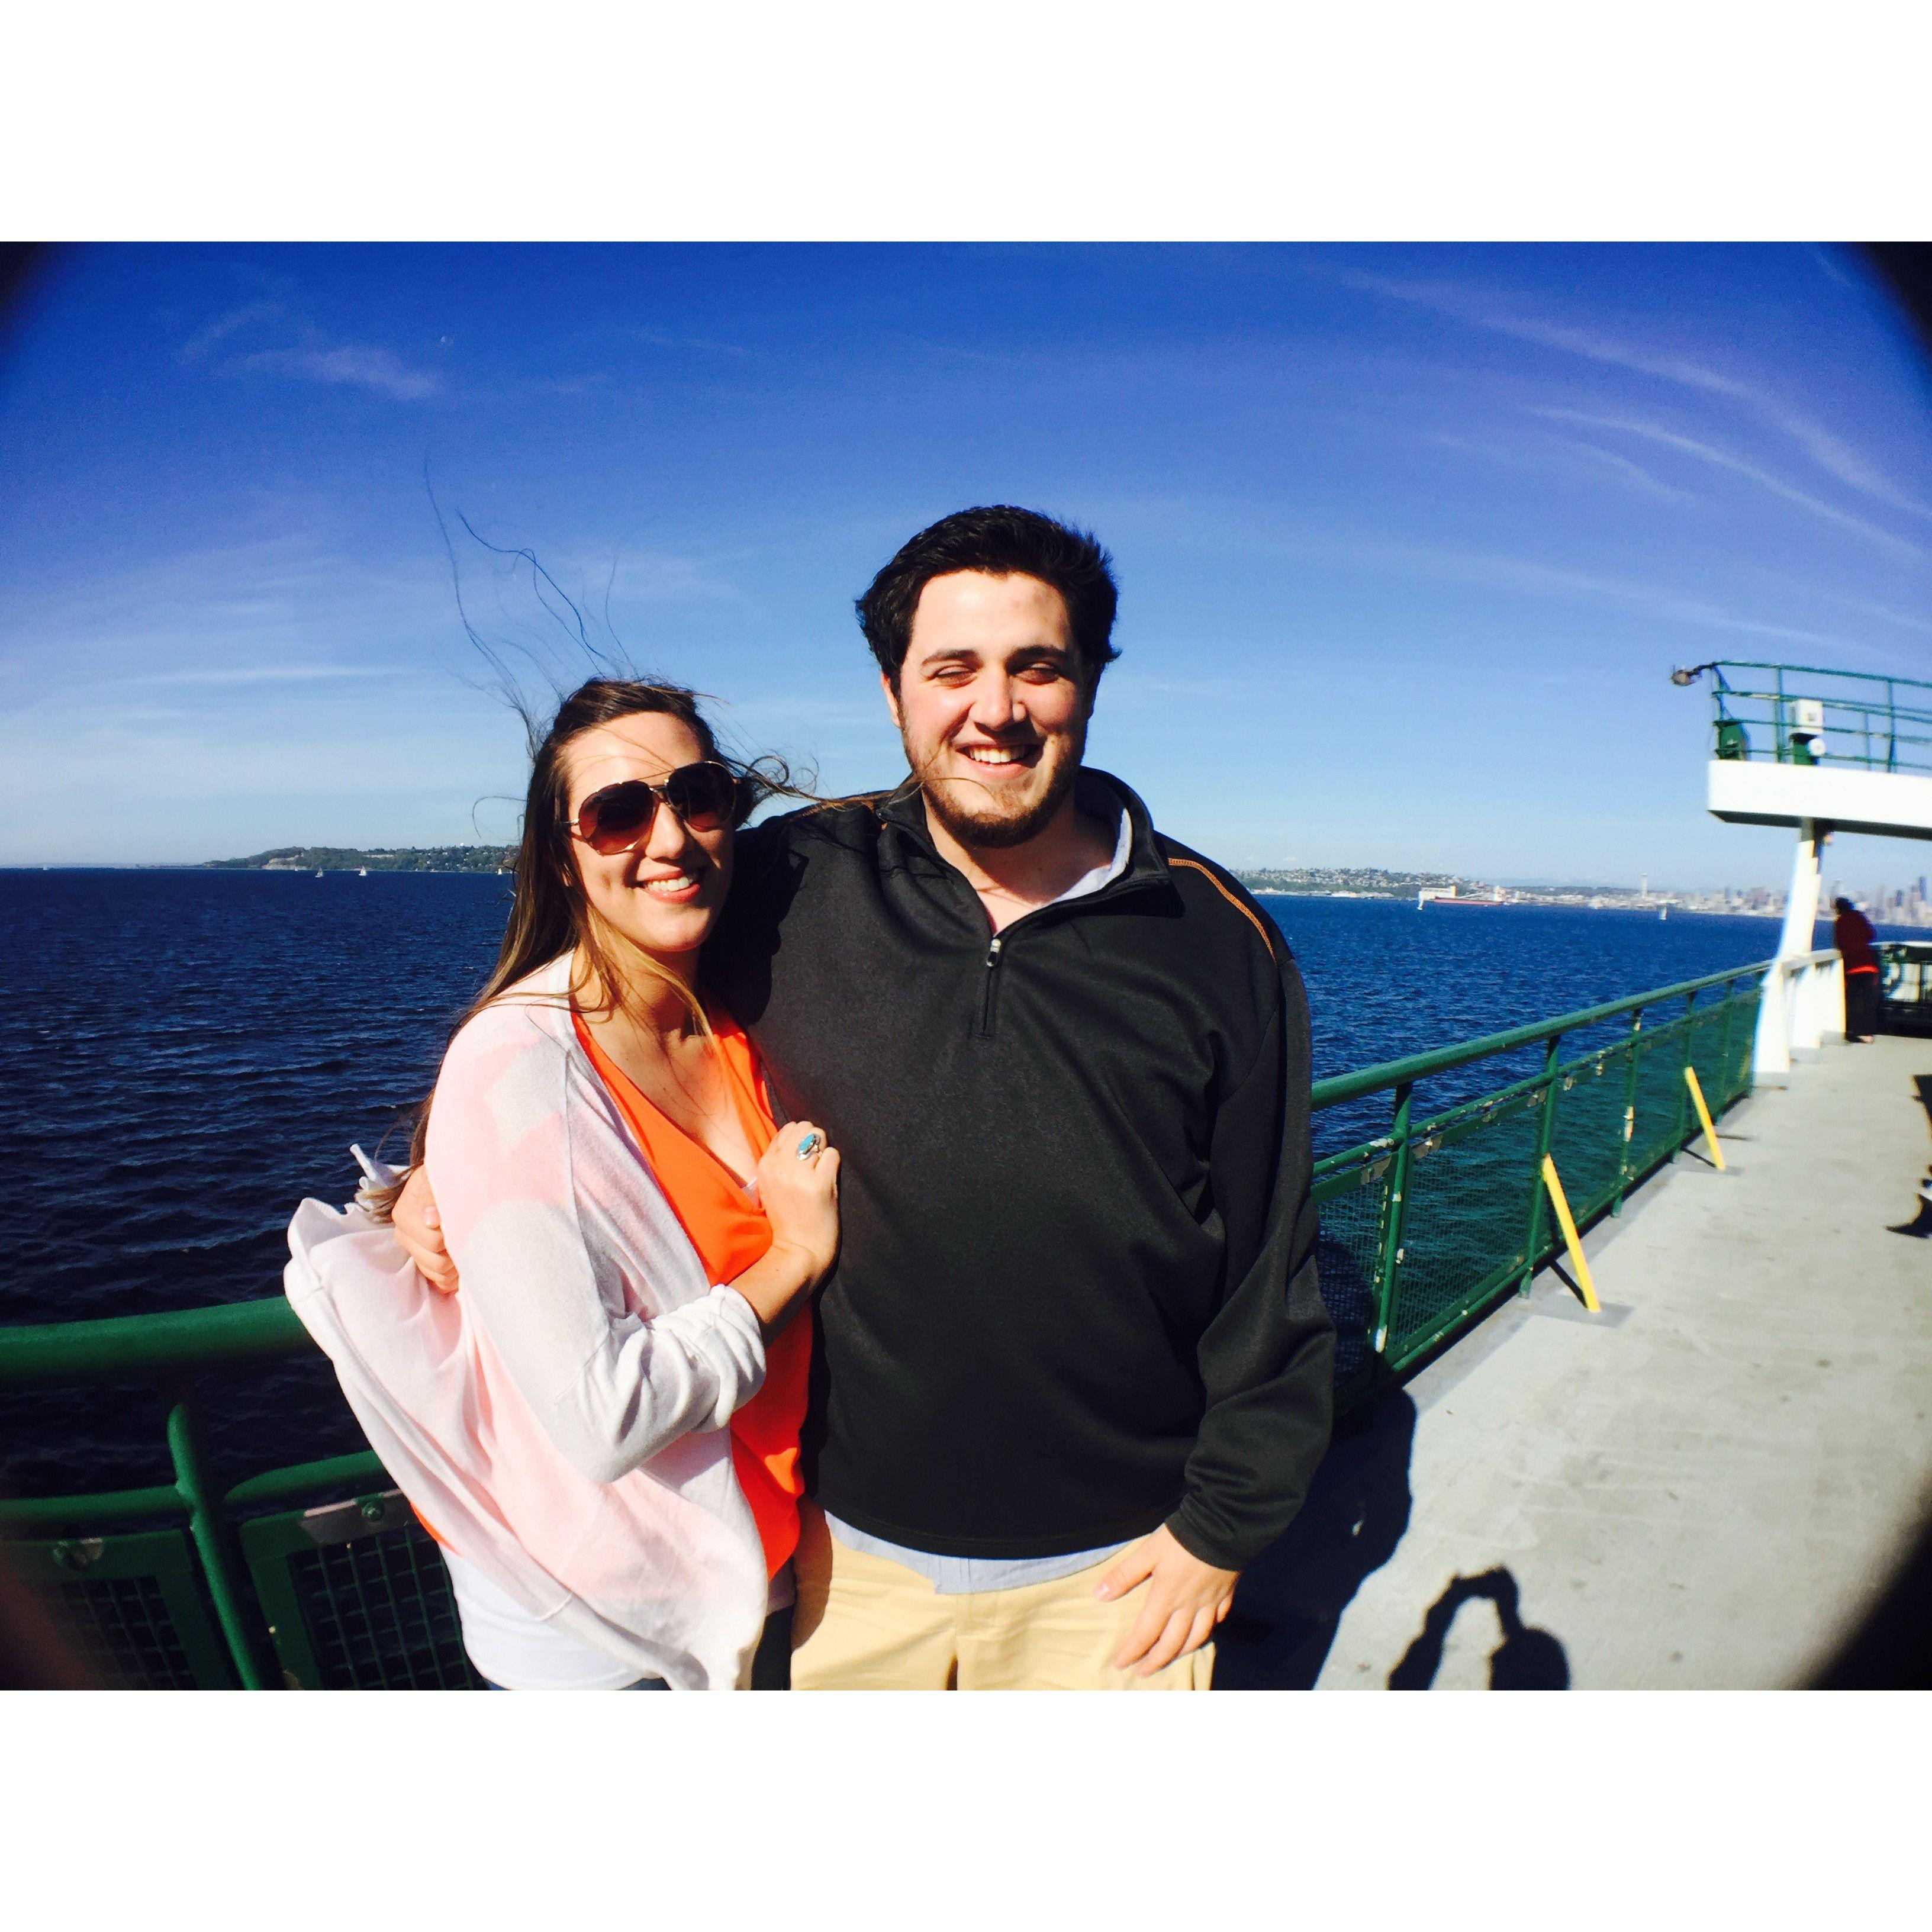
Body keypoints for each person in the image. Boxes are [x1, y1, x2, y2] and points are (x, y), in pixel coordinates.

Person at [398, 505, 1334, 1690]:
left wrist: (1222, 1530)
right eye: (953, 670)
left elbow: (1271, 1270)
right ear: (894, 693)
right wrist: (446, 1169)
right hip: (846, 1567)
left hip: (1118, 1575)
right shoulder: (790, 880)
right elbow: (604, 993)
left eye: (1035, 666)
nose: (994, 709)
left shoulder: (1216, 939)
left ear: (1090, 682)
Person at [286, 680, 840, 1690]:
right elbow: (602, 1414)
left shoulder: (730, 1016)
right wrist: (796, 1256)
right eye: (617, 811)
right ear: (562, 854)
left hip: (758, 1565)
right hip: (612, 1628)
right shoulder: (520, 1063)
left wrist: (424, 1177)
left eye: (697, 794)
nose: (667, 836)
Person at [1834, 895, 1880, 1043]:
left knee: (1853, 1000)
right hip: (1868, 963)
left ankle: (1854, 1031)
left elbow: (1840, 943)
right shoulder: (1859, 916)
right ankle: (1868, 1033)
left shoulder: (1840, 922)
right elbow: (1871, 934)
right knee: (1868, 999)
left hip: (1852, 966)